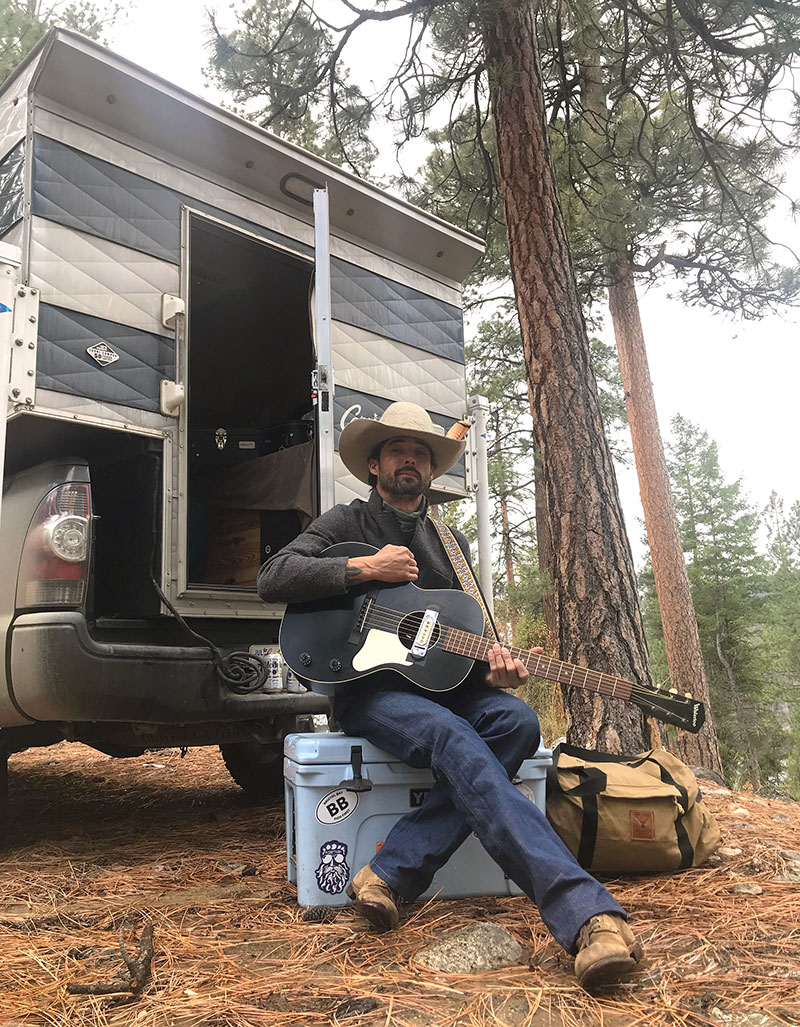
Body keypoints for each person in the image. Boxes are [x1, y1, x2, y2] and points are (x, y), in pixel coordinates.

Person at [258, 401, 644, 990]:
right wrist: (365, 569)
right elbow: (273, 578)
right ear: (373, 464)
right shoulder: (344, 523)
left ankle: (388, 871)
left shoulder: (452, 543)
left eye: (421, 452)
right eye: (397, 450)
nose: (410, 459)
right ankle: (584, 913)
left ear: (432, 470)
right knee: (452, 735)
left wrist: (495, 672)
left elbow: (457, 647)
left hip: (442, 691)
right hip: (369, 691)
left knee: (516, 721)